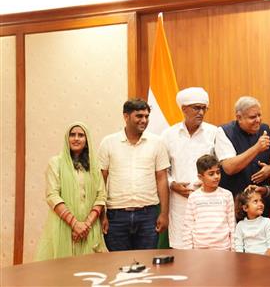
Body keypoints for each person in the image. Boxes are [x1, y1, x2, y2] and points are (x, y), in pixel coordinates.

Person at [98, 98, 170, 251]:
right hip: (116, 215)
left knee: (146, 266)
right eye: (139, 116)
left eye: (146, 116)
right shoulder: (108, 142)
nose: (144, 120)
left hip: (148, 215)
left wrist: (164, 213)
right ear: (126, 116)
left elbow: (162, 178)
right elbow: (101, 179)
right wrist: (101, 214)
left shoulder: (157, 143)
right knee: (119, 266)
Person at [35, 122, 107, 261]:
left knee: (89, 272)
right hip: (63, 227)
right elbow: (52, 195)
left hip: (89, 228)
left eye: (81, 135)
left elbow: (101, 195)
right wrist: (75, 224)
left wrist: (85, 225)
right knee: (61, 274)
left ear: (86, 141)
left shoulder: (94, 166)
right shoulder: (55, 163)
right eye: (72, 135)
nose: (76, 138)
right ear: (66, 139)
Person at [161, 87, 217, 249]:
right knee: (181, 249)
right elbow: (162, 169)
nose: (201, 112)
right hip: (179, 201)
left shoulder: (214, 132)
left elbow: (222, 165)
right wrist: (172, 184)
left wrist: (208, 182)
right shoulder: (168, 135)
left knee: (207, 248)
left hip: (208, 201)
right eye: (196, 108)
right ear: (184, 109)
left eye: (203, 108)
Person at [215, 96, 270, 215]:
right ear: (239, 117)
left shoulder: (266, 129)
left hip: (262, 204)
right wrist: (256, 148)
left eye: (259, 115)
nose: (258, 120)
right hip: (237, 204)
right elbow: (229, 168)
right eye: (252, 117)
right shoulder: (224, 132)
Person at [182, 154, 235, 250]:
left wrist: (233, 249)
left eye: (218, 172)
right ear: (200, 177)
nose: (216, 177)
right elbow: (188, 227)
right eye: (211, 174)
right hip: (200, 249)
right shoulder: (194, 197)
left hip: (223, 249)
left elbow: (232, 225)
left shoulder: (227, 195)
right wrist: (188, 252)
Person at [234, 185, 270, 256]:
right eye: (255, 201)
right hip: (248, 262)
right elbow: (239, 247)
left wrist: (263, 262)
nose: (260, 204)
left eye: (261, 201)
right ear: (245, 208)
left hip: (266, 261)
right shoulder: (240, 225)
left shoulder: (267, 222)